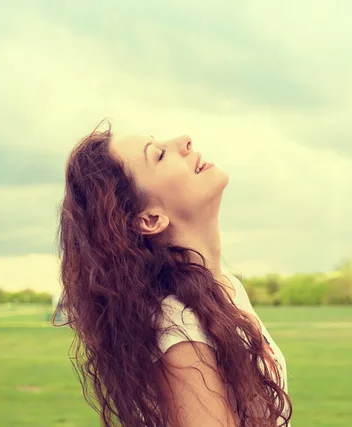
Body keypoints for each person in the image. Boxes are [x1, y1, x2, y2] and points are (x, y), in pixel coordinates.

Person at [53, 119, 292, 427]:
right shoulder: (180, 331)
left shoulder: (223, 286)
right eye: (159, 155)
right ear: (151, 219)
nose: (185, 140)